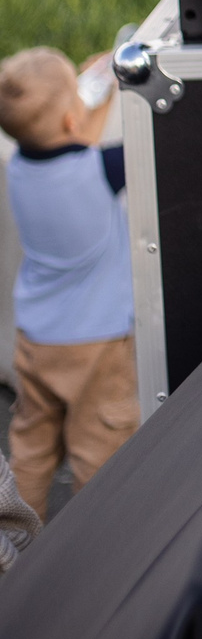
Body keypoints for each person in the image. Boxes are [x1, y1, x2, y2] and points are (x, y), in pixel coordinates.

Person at [1, 47, 136, 522]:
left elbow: (73, 146)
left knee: (31, 449)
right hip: (95, 346)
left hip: (36, 338)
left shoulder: (19, 167)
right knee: (101, 453)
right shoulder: (101, 172)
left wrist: (97, 93)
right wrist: (118, 84)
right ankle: (93, 550)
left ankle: (19, 543)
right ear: (67, 118)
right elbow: (103, 150)